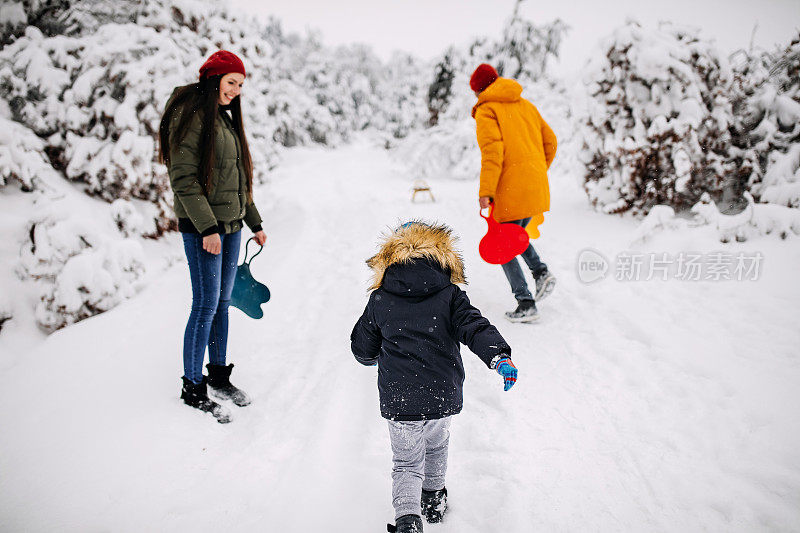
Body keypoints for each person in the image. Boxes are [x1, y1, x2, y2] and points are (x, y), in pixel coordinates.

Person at [351, 221, 519, 533]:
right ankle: (433, 499)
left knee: (405, 462)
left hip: (400, 400)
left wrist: (370, 357)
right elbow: (475, 327)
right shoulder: (451, 296)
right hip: (442, 395)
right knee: (438, 445)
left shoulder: (380, 299)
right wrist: (498, 356)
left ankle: (407, 519)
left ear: (390, 260)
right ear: (442, 259)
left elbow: (362, 345)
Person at [158, 50, 267, 423]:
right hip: (205, 229)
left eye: (240, 84)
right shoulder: (191, 115)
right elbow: (183, 178)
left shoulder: (222, 118)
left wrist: (254, 222)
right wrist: (207, 227)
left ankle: (218, 375)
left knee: (221, 303)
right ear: (213, 78)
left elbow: (237, 180)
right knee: (205, 304)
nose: (236, 90)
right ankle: (192, 385)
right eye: (231, 82)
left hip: (231, 226)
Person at [471, 63, 558, 323]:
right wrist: (536, 170)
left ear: (479, 90)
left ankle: (526, 302)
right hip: (535, 184)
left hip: (510, 187)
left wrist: (486, 190)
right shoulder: (526, 105)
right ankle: (541, 272)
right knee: (512, 237)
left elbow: (492, 153)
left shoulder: (488, 110)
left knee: (502, 245)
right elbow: (551, 141)